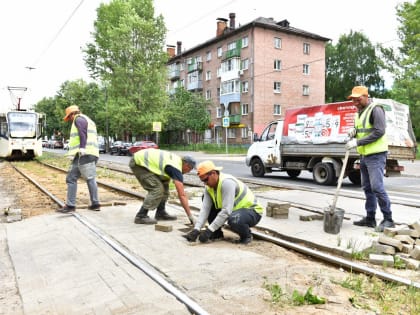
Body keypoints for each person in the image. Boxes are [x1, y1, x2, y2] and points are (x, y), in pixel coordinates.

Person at [345, 86, 395, 232]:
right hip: (365, 155)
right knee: (367, 188)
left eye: (358, 99)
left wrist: (357, 142)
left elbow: (379, 131)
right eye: (353, 100)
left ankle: (388, 219)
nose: (355, 102)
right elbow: (362, 130)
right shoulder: (359, 112)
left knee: (377, 187)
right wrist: (353, 133)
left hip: (376, 155)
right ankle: (370, 218)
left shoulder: (376, 109)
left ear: (366, 96)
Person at [184, 160, 263, 244]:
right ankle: (217, 234)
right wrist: (196, 229)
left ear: (213, 173)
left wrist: (209, 230)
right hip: (234, 210)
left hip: (252, 211)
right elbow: (205, 209)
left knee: (234, 219)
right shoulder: (209, 187)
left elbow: (226, 211)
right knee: (205, 198)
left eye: (206, 180)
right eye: (203, 181)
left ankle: (246, 236)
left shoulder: (227, 183)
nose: (205, 183)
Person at [129, 148, 196, 225]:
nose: (188, 172)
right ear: (187, 165)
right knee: (157, 189)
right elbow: (182, 195)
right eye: (190, 170)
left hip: (145, 162)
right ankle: (141, 216)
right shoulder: (175, 168)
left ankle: (160, 213)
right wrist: (190, 216)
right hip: (139, 163)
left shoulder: (177, 162)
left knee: (165, 189)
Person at [57, 105, 101, 213]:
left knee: (81, 178)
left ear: (72, 114)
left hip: (85, 154)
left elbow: (83, 133)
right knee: (76, 178)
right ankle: (93, 204)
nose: (70, 120)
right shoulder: (88, 119)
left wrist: (82, 148)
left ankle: (73, 205)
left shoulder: (79, 119)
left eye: (69, 117)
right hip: (89, 153)